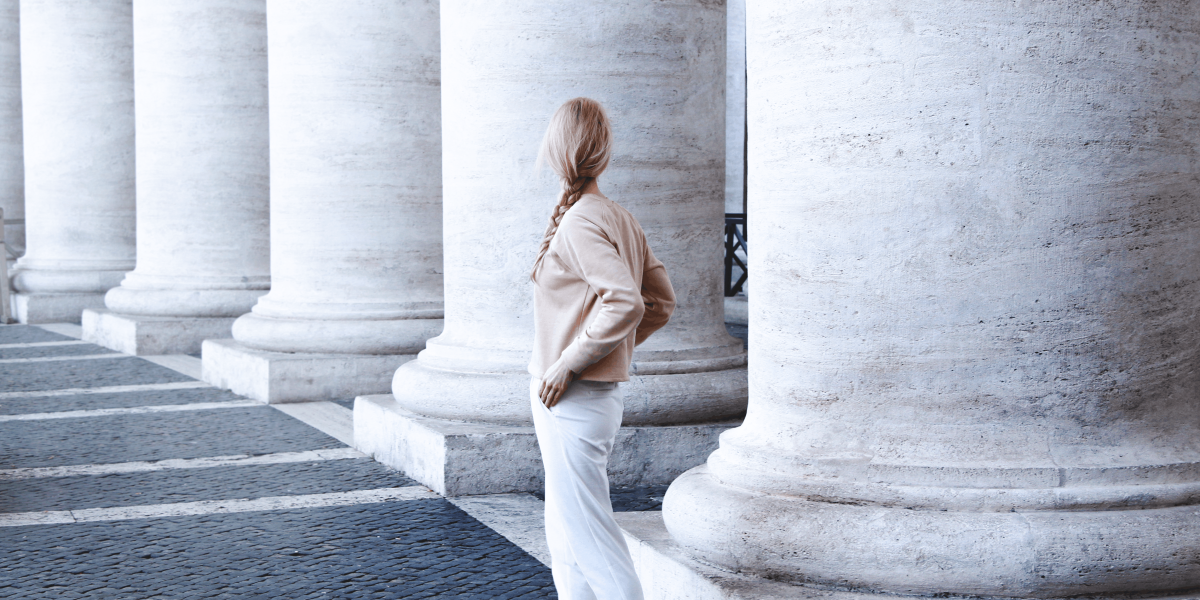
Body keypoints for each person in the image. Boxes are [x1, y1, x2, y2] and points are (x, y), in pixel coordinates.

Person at [528, 97, 676, 600]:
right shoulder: (619, 217)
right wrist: (610, 352)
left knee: (590, 539)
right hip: (580, 396)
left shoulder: (579, 222)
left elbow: (628, 302)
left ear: (556, 151)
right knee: (567, 537)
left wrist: (571, 362)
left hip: (571, 394)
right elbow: (661, 302)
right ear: (602, 153)